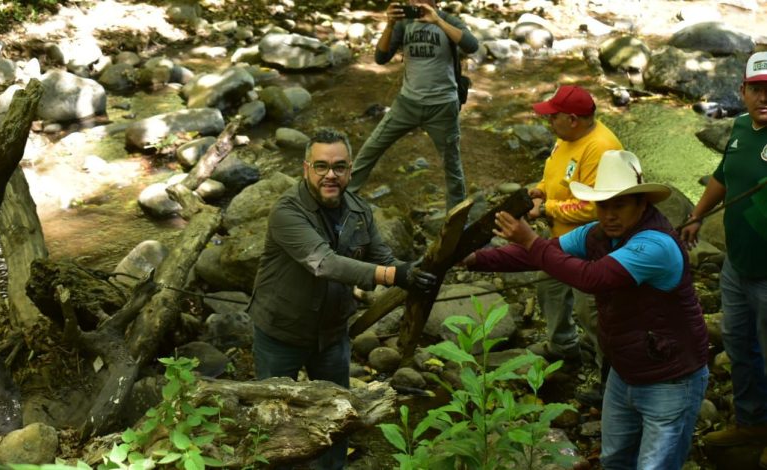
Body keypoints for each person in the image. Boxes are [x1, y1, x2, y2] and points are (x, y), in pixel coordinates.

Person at [463, 150, 710, 469]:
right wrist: (474, 260)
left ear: (642, 204)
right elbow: (543, 253)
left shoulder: (656, 245)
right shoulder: (596, 233)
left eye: (619, 205)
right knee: (614, 460)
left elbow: (592, 277)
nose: (609, 215)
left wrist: (529, 240)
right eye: (603, 205)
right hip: (624, 369)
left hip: (671, 378)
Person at [249, 128, 436, 469]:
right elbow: (325, 263)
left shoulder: (360, 211)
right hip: (280, 333)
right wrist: (394, 276)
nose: (330, 175)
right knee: (273, 422)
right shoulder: (287, 211)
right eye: (321, 166)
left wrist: (418, 271)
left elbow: (385, 260)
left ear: (350, 170)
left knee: (338, 418)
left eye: (338, 166)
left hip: (332, 336)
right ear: (306, 169)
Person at [681, 50, 767, 465]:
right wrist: (697, 215)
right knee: (738, 343)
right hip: (737, 264)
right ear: (742, 91)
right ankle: (752, 421)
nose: (764, 98)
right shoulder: (740, 127)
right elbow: (723, 175)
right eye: (757, 89)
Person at [526, 85, 623, 375]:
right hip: (562, 237)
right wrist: (540, 191)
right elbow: (556, 176)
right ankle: (563, 346)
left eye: (553, 116)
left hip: (593, 243)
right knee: (548, 286)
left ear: (572, 119)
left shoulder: (601, 148)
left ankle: (608, 375)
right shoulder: (566, 137)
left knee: (590, 311)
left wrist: (546, 209)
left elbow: (594, 207)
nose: (549, 121)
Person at [346, 0, 479, 211]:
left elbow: (472, 45)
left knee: (452, 165)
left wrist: (437, 21)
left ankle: (456, 216)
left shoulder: (447, 20)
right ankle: (343, 199)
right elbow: (381, 58)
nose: (417, 2)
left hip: (442, 107)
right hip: (406, 104)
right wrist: (389, 25)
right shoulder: (404, 23)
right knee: (370, 149)